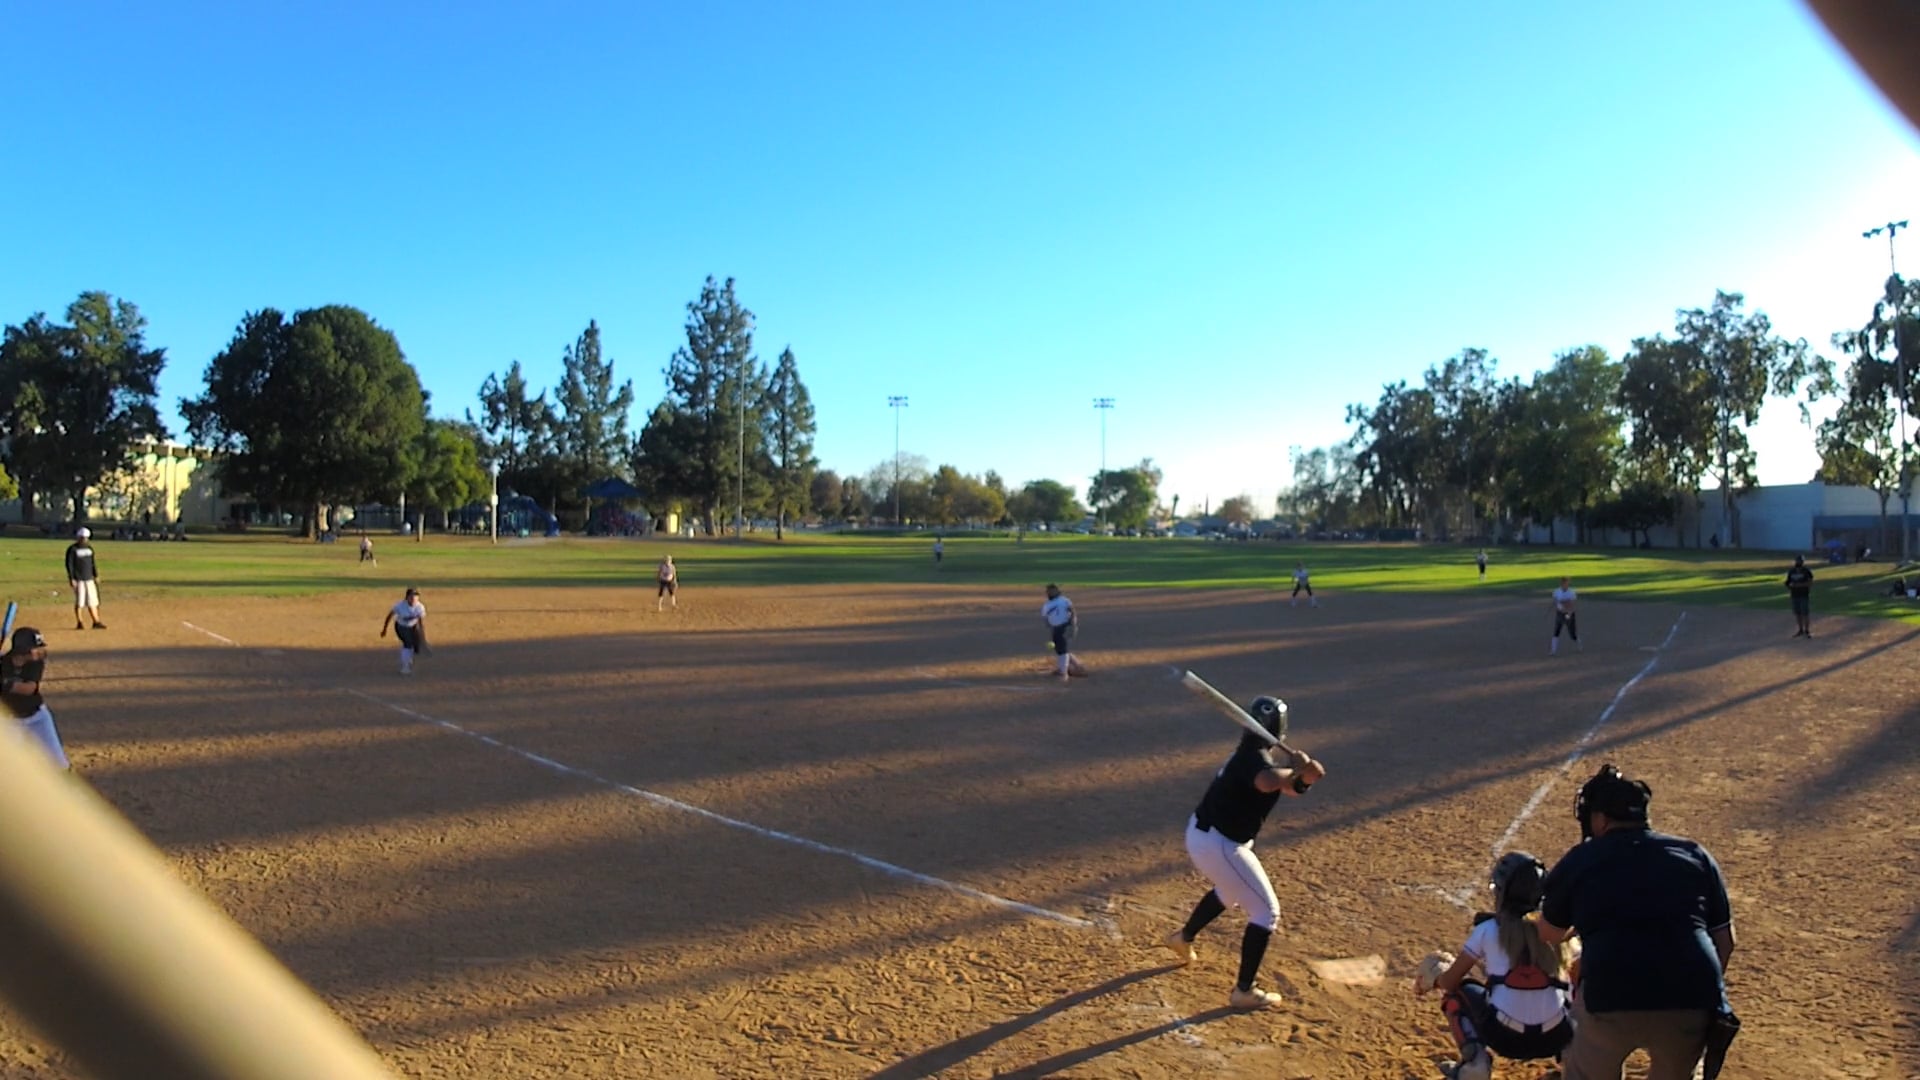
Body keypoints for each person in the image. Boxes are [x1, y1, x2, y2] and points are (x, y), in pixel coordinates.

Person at [1537, 765, 1738, 1080]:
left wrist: (1587, 921)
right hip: (1691, 995)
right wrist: (1695, 991)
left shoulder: (1583, 857)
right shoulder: (1694, 854)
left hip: (1611, 994)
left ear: (1601, 819)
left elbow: (1549, 932)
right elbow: (1725, 942)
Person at [1163, 696, 1326, 1010]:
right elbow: (1267, 782)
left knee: (1230, 890)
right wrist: (1296, 768)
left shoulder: (1253, 754)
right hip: (1220, 844)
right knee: (1266, 912)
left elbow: (1287, 787)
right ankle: (1244, 991)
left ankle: (1182, 938)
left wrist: (1305, 778)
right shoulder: (1253, 760)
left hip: (1207, 837)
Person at [1414, 852, 1575, 1079]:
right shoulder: (1561, 933)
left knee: (1458, 993)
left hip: (1505, 1039)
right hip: (1557, 1038)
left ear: (1502, 892)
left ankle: (1475, 1064)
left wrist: (1437, 976)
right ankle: (1573, 1061)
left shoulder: (1488, 930)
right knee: (1576, 988)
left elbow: (1450, 982)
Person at [2, 627, 70, 771]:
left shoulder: (36, 663)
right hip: (10, 723)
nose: (39, 652)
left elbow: (29, 689)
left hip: (38, 717)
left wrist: (4, 684)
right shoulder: (3, 664)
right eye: (35, 648)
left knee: (59, 763)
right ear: (23, 650)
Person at [379, 587, 428, 676]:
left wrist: (422, 635)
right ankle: (405, 667)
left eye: (416, 596)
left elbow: (420, 622)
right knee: (408, 644)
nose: (414, 598)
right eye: (411, 596)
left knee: (416, 646)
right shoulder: (400, 606)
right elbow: (389, 616)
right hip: (401, 627)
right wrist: (384, 629)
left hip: (413, 626)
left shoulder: (420, 607)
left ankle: (408, 657)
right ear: (406, 597)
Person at [64, 527, 105, 630]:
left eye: (86, 538)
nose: (84, 540)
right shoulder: (73, 549)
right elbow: (69, 565)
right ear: (78, 537)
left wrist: (96, 575)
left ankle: (96, 621)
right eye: (82, 538)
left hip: (89, 578)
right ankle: (80, 622)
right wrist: (71, 578)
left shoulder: (89, 549)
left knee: (92, 601)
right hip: (79, 579)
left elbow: (92, 563)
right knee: (80, 602)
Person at [1041, 583, 1079, 679]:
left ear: (1057, 591)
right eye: (1048, 591)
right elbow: (1046, 620)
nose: (1049, 593)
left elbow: (1073, 612)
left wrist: (1073, 625)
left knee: (1062, 649)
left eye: (1051, 591)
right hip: (1055, 629)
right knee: (1059, 649)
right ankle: (1076, 666)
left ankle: (1064, 673)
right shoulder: (1046, 605)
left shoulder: (1064, 600)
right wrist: (1050, 632)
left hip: (1065, 626)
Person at [1785, 555, 1814, 638]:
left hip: (1803, 595)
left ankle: (1807, 630)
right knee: (1798, 613)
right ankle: (1800, 630)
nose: (1798, 562)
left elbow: (1810, 583)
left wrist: (1799, 585)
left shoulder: (1806, 571)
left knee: (1805, 613)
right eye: (1797, 561)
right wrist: (1789, 586)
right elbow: (1788, 582)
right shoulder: (1791, 571)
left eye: (1800, 561)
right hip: (1794, 595)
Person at [1549, 577, 1579, 655]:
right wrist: (1561, 605)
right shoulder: (1556, 591)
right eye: (1564, 583)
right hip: (1560, 614)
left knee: (1571, 632)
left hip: (1568, 614)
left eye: (1567, 583)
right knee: (1556, 631)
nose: (1566, 585)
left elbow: (1572, 604)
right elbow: (1556, 602)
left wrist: (1567, 610)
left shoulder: (1571, 592)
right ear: (1561, 583)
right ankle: (1553, 650)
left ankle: (1578, 643)